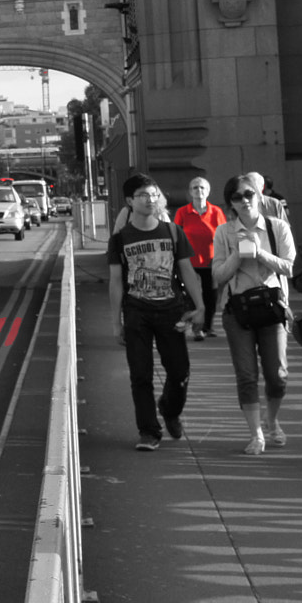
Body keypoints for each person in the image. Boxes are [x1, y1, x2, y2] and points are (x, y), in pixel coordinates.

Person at [108, 174, 205, 451]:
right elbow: (115, 282)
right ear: (129, 201)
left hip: (171, 311)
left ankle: (169, 409)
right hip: (137, 312)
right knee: (141, 375)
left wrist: (200, 307)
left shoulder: (173, 232)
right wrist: (116, 324)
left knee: (180, 372)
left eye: (153, 194)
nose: (150, 200)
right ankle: (149, 431)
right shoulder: (120, 239)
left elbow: (186, 270)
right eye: (142, 196)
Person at [213, 174, 296, 454]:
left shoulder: (278, 227)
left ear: (259, 196)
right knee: (247, 375)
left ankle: (272, 421)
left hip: (272, 308)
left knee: (277, 375)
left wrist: (259, 253)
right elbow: (218, 275)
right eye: (237, 197)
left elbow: (288, 267)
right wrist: (238, 253)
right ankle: (256, 434)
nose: (245, 200)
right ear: (230, 204)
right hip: (239, 311)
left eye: (249, 194)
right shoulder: (224, 232)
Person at [175, 177, 226, 337]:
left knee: (211, 296)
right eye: (195, 188)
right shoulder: (182, 212)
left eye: (202, 188)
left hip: (211, 261)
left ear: (208, 191)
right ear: (190, 192)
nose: (199, 191)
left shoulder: (216, 212)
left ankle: (207, 327)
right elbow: (176, 235)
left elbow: (224, 235)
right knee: (193, 295)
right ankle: (197, 328)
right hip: (190, 263)